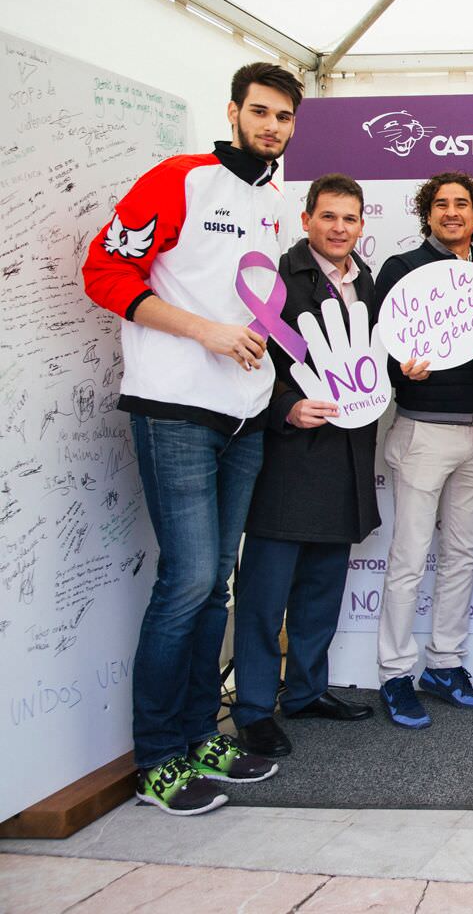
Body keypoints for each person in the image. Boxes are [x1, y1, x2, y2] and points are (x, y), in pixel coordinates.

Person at [81, 62, 297, 815]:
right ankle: (158, 758)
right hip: (174, 409)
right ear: (234, 111)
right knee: (186, 582)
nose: (272, 127)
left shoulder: (273, 200)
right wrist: (202, 331)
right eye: (261, 112)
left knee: (216, 589)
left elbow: (258, 305)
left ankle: (200, 735)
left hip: (244, 418)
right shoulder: (181, 177)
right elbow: (104, 270)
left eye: (284, 117)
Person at [231, 175, 427, 757]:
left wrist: (400, 372)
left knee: (321, 589)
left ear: (362, 225)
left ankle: (305, 691)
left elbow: (364, 367)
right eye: (329, 217)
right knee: (266, 596)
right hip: (289, 460)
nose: (340, 228)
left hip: (346, 457)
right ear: (307, 219)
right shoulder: (278, 279)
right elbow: (247, 363)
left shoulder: (364, 282)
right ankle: (251, 708)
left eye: (350, 219)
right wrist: (287, 408)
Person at [372, 172, 473, 729]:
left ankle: (444, 665)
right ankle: (395, 673)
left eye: (461, 204)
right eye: (441, 204)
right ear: (427, 214)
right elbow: (373, 352)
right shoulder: (400, 271)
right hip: (422, 430)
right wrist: (399, 371)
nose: (451, 212)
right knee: (408, 557)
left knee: (463, 555)